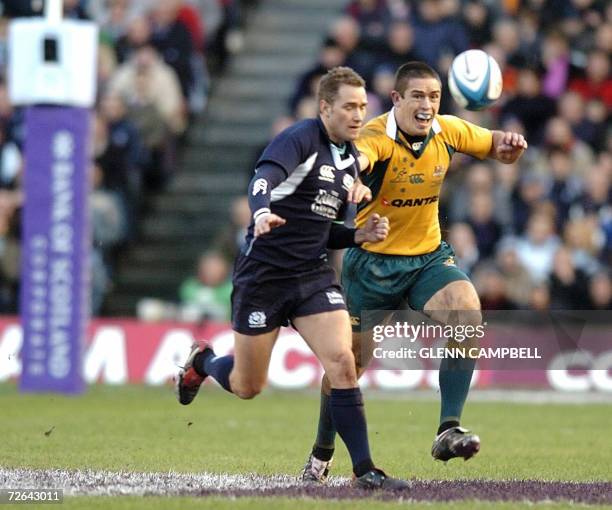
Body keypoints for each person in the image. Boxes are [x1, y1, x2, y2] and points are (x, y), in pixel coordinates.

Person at [175, 67, 409, 491]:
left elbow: (321, 228)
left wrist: (358, 233)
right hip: (264, 276)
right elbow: (263, 178)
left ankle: (365, 469)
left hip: (312, 275)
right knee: (248, 386)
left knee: (342, 361)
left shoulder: (351, 158)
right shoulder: (300, 138)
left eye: (362, 107)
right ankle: (202, 363)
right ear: (325, 108)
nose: (359, 115)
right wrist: (261, 212)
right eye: (349, 107)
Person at [300, 61, 528, 482]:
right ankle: (321, 452)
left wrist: (508, 146)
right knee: (347, 367)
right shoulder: (375, 137)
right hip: (372, 265)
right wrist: (355, 179)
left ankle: (447, 429)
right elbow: (359, 159)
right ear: (397, 99)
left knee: (467, 314)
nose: (427, 106)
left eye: (435, 97)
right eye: (418, 96)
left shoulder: (448, 129)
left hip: (426, 258)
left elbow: (493, 144)